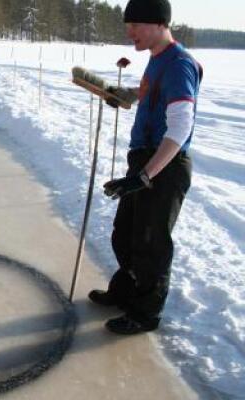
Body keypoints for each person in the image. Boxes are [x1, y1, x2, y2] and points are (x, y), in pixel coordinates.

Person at [89, 0, 203, 335]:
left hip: (165, 164)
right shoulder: (156, 61)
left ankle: (145, 312)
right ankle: (126, 290)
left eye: (135, 25)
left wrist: (145, 176)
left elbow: (180, 129)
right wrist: (120, 96)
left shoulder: (179, 64)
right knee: (124, 235)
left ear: (158, 23)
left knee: (151, 243)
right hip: (145, 160)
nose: (130, 33)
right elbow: (149, 96)